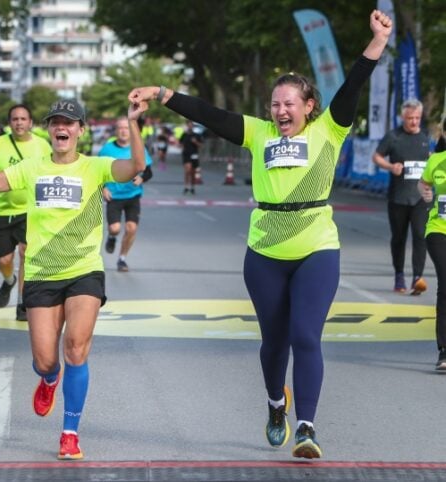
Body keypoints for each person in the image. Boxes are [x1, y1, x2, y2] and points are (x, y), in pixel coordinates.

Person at [128, 9, 392, 460]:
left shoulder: (330, 130)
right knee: (275, 341)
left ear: (309, 106)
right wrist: (160, 92)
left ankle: (306, 427)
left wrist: (378, 41)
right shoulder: (258, 133)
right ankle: (276, 404)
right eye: (275, 104)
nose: (281, 110)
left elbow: (354, 83)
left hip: (317, 248)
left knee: (306, 336)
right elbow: (209, 114)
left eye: (289, 103)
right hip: (265, 250)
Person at [0, 98, 146, 460]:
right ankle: (48, 379)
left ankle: (70, 432)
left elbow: (137, 165)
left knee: (76, 347)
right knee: (46, 360)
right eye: (56, 122)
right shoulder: (32, 168)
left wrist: (133, 123)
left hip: (84, 270)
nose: (62, 127)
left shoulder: (97, 167)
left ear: (80, 130)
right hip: (43, 273)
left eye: (69, 122)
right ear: (49, 129)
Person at [0, 104, 52, 321]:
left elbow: (52, 170)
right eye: (15, 119)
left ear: (30, 122)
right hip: (1, 211)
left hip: (29, 210)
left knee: (26, 253)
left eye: (23, 119)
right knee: (4, 259)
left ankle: (22, 302)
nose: (19, 123)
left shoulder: (42, 145)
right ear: (9, 123)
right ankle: (9, 279)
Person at [372, 99, 430, 294]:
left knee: (421, 236)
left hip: (421, 198)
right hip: (398, 197)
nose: (414, 122)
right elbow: (377, 156)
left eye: (417, 118)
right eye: (410, 118)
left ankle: (417, 278)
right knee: (399, 238)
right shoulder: (393, 137)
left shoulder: (425, 136)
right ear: (402, 117)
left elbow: (430, 159)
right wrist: (390, 167)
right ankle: (399, 276)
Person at [100, 116, 153, 272]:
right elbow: (97, 172)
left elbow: (149, 171)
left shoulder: (139, 148)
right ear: (116, 131)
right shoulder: (107, 149)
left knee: (131, 228)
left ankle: (122, 259)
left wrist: (142, 177)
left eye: (126, 128)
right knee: (115, 228)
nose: (123, 131)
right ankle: (111, 237)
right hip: (114, 196)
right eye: (120, 128)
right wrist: (103, 188)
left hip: (133, 196)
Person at [418, 150, 446, 369]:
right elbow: (423, 183)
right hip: (438, 229)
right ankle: (444, 351)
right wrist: (425, 192)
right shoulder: (436, 160)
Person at [179, 120, 204, 194]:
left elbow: (201, 145)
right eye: (188, 125)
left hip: (194, 155)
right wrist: (182, 147)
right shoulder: (184, 134)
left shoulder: (197, 135)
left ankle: (192, 187)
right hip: (186, 154)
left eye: (191, 125)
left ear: (192, 126)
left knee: (193, 172)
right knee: (187, 170)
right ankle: (186, 186)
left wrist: (195, 142)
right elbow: (180, 143)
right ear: (187, 126)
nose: (190, 126)